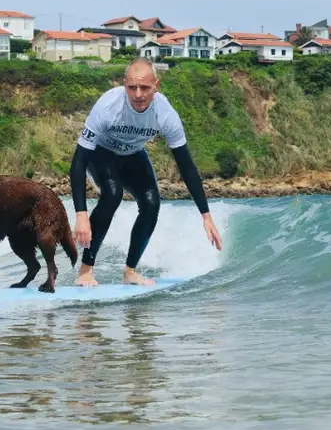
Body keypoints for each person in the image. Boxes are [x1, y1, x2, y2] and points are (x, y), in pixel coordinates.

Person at [69, 57, 223, 286]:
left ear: (156, 86)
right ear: (124, 85)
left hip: (133, 154)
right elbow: (78, 161)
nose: (138, 94)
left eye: (144, 87)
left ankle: (130, 271)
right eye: (132, 87)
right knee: (113, 194)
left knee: (152, 204)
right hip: (100, 153)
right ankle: (85, 270)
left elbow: (186, 165)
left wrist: (206, 215)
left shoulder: (165, 114)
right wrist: (81, 214)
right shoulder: (107, 107)